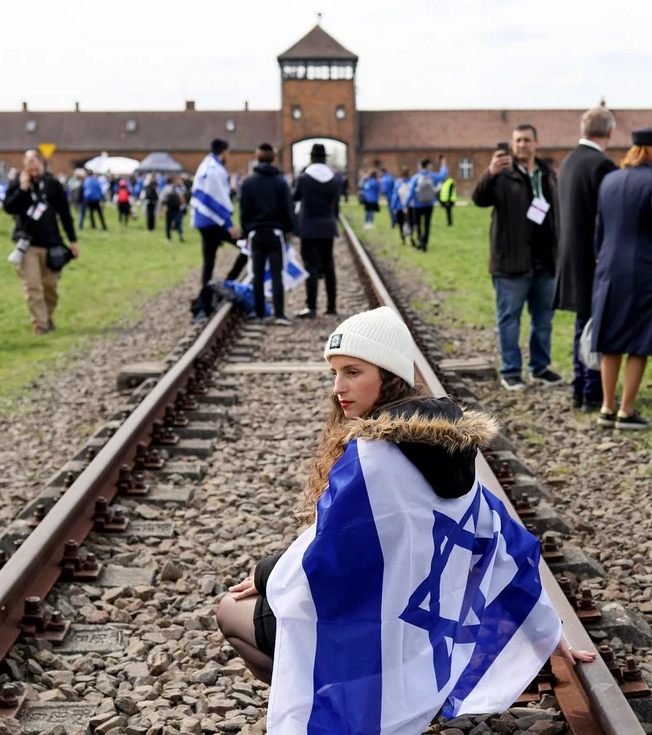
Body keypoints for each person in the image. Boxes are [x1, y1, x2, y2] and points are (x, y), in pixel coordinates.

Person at [216, 306, 588, 730]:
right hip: (427, 646)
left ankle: (343, 708)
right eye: (335, 373)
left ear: (389, 374)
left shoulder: (375, 460)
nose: (339, 387)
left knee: (231, 610)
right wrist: (547, 631)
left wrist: (267, 574)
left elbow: (327, 561)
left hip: (378, 643)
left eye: (353, 371)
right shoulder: (451, 452)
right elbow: (502, 544)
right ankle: (396, 702)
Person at [589, 127, 652, 430]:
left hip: (608, 267)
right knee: (639, 340)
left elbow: (599, 229)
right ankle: (626, 411)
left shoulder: (610, 179)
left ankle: (606, 407)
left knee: (611, 338)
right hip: (644, 269)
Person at [472, 124, 563, 391]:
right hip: (511, 261)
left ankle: (540, 367)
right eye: (518, 141)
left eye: (527, 140)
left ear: (536, 143)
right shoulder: (502, 174)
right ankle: (511, 371)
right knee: (509, 318)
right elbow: (479, 199)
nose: (522, 145)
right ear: (512, 145)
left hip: (546, 260)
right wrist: (490, 173)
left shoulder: (548, 173)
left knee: (543, 319)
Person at [554, 107, 618, 412]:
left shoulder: (569, 161)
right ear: (609, 132)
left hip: (570, 256)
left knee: (584, 324)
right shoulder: (601, 165)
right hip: (594, 260)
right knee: (594, 327)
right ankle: (591, 390)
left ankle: (580, 388)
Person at [2, 150, 79, 336]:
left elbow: (64, 214)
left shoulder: (53, 185)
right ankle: (40, 323)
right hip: (28, 244)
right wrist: (23, 189)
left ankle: (48, 316)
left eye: (34, 162)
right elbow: (9, 208)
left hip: (52, 242)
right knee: (32, 285)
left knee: (50, 286)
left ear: (42, 163)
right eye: (27, 163)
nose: (32, 167)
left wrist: (73, 240)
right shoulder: (18, 185)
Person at [238, 143, 294, 325]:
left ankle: (260, 313)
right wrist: (287, 229)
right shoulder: (280, 182)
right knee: (277, 273)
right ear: (273, 158)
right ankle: (280, 314)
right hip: (275, 231)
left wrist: (247, 231)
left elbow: (243, 210)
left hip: (256, 232)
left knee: (257, 273)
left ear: (257, 157)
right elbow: (288, 208)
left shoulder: (248, 182)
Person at [192, 139, 245, 319]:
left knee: (209, 263)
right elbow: (220, 199)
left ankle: (203, 306)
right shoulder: (216, 171)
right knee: (247, 246)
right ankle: (226, 284)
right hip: (214, 222)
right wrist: (229, 225)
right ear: (223, 152)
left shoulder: (205, 165)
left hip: (202, 221)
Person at [293, 143, 341, 318]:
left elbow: (295, 196)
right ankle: (331, 306)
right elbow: (336, 201)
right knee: (329, 267)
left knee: (311, 268)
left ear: (311, 158)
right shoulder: (334, 179)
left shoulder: (304, 178)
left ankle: (311, 306)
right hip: (327, 226)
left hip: (308, 227)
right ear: (325, 158)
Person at [403, 156, 449, 250]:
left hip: (417, 204)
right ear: (428, 166)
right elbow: (443, 175)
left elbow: (411, 192)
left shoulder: (416, 177)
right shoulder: (432, 176)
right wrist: (443, 164)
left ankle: (420, 241)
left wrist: (406, 205)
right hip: (429, 204)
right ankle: (425, 243)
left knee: (418, 224)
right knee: (427, 224)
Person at [391, 167, 412, 246]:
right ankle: (411, 237)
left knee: (400, 223)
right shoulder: (410, 182)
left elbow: (395, 196)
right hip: (409, 207)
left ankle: (403, 238)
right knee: (409, 222)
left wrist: (393, 206)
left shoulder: (398, 183)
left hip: (399, 207)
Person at [162, 175, 187, 242]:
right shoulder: (176, 189)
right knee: (176, 223)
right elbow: (182, 198)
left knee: (170, 224)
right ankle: (177, 234)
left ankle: (170, 237)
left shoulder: (166, 188)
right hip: (175, 208)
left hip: (171, 209)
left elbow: (162, 199)